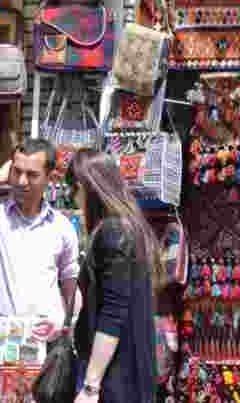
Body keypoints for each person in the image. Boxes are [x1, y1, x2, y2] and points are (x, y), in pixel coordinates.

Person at [0, 138, 79, 338]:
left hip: (45, 340)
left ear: (50, 177)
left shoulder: (61, 227)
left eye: (32, 175)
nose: (22, 181)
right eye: (17, 172)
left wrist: (71, 325)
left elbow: (70, 282)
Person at [67, 149, 159, 403]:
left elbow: (112, 314)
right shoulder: (128, 228)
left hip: (115, 378)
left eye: (73, 190)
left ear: (85, 187)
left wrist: (90, 386)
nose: (73, 199)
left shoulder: (113, 232)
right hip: (126, 373)